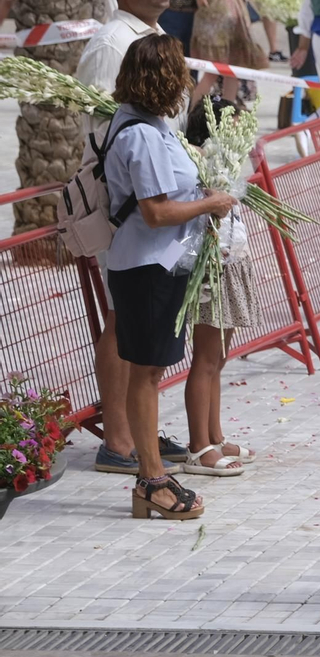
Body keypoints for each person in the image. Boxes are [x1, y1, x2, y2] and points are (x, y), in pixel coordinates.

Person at [103, 34, 238, 519]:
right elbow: (157, 212)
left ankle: (153, 474)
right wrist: (212, 203)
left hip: (154, 264)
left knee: (151, 370)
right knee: (147, 373)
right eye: (178, 72)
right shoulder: (140, 133)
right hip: (148, 266)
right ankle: (152, 479)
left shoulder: (144, 123)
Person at [77, 0, 192, 478]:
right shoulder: (110, 45)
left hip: (158, 193)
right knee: (124, 319)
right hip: (128, 204)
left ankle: (135, 432)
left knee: (139, 321)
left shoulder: (148, 38)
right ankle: (119, 440)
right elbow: (111, 128)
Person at [181, 96, 259, 479]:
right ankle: (199, 447)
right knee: (206, 358)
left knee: (220, 357)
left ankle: (214, 434)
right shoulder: (201, 166)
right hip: (213, 267)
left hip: (231, 261)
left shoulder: (227, 166)